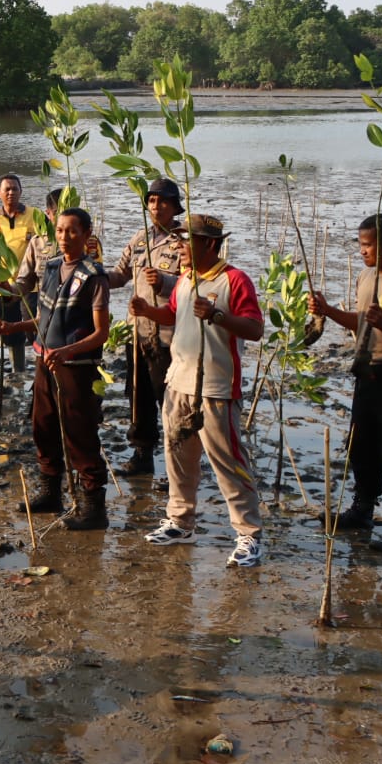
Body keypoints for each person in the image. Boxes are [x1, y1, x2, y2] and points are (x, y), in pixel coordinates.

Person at [129, 214, 265, 567]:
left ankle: (248, 534)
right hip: (178, 382)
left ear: (209, 244)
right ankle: (180, 521)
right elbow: (174, 314)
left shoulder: (234, 280)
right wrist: (148, 311)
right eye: (176, 240)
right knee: (178, 457)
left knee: (229, 462)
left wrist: (218, 316)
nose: (178, 247)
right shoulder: (186, 278)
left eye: (185, 240)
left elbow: (254, 329)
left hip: (217, 387)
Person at [308, 213, 382, 553]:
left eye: (368, 245)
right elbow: (360, 323)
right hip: (368, 375)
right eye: (360, 245)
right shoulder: (366, 276)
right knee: (361, 447)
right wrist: (328, 310)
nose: (362, 252)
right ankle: (363, 509)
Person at [0, 207, 111, 529]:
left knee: (79, 433)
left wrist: (66, 350)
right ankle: (51, 492)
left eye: (72, 231)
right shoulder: (53, 267)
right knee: (42, 426)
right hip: (46, 361)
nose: (64, 237)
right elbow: (44, 319)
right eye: (59, 231)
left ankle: (93, 507)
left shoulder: (94, 276)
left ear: (87, 235)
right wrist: (11, 327)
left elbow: (102, 333)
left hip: (76, 366)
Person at [106, 178, 185, 477]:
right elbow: (119, 275)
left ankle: (177, 467)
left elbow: (195, 284)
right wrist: (92, 271)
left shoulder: (185, 240)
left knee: (172, 401)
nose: (156, 206)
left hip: (169, 336)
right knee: (138, 396)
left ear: (174, 206)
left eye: (163, 201)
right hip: (138, 332)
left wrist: (165, 282)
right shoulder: (140, 238)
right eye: (152, 201)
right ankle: (142, 455)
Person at [0, 174, 40, 373]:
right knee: (9, 330)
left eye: (15, 189)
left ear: (21, 192)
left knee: (35, 329)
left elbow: (46, 242)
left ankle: (41, 368)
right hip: (2, 285)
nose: (11, 192)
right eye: (7, 189)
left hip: (31, 284)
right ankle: (18, 371)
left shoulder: (34, 215)